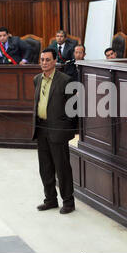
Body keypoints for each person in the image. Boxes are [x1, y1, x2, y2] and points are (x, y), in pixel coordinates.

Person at [33, 48, 76, 215]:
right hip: (41, 128)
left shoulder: (65, 80)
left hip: (58, 130)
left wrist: (65, 129)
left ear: (54, 61)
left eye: (47, 60)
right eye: (42, 59)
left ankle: (68, 201)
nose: (44, 62)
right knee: (45, 167)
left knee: (62, 167)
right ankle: (50, 199)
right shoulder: (37, 79)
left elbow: (73, 110)